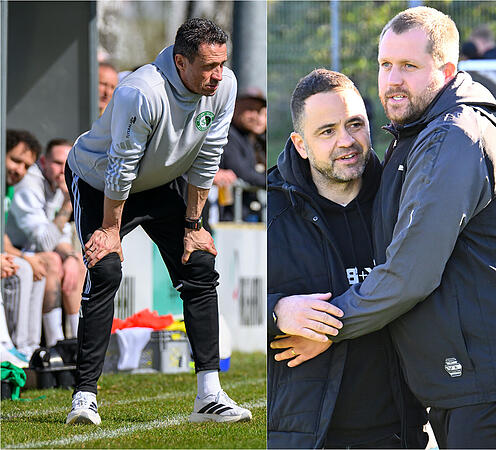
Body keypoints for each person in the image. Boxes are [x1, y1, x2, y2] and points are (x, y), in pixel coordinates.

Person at [272, 7, 496, 448]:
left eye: (409, 66)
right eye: (385, 64)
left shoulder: (453, 138)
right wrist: (277, 312)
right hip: (461, 388)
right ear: (300, 143)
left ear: (446, 71)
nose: (393, 79)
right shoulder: (425, 138)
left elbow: (409, 274)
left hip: (481, 389)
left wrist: (326, 329)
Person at [64, 17, 250, 425]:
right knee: (105, 269)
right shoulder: (141, 91)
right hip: (98, 181)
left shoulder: (225, 86)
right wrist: (110, 230)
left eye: (222, 64)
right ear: (181, 62)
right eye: (209, 66)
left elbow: (209, 155)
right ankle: (84, 396)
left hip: (159, 183)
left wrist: (194, 226)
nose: (218, 75)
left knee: (198, 263)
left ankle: (209, 395)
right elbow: (121, 166)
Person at [267, 69, 427, 449]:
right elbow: (227, 301)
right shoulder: (273, 211)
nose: (346, 141)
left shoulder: (402, 200)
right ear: (300, 144)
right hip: (303, 437)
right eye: (327, 131)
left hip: (396, 432)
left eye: (355, 124)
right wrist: (276, 312)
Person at [7, 138, 84, 346]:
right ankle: (55, 343)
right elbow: (44, 242)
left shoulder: (58, 184)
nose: (63, 170)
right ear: (43, 162)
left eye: (67, 165)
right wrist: (68, 203)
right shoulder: (29, 184)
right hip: (14, 250)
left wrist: (70, 257)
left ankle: (78, 343)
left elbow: (61, 236)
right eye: (57, 163)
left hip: (35, 250)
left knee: (78, 262)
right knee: (52, 261)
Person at [2, 130, 47, 361]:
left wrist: (26, 257)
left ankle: (31, 347)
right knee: (21, 272)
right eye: (15, 160)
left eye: (26, 166)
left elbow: (3, 239)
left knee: (36, 269)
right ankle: (15, 349)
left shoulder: (7, 189)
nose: (20, 170)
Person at [219, 91, 267, 222]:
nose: (254, 116)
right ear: (235, 106)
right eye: (249, 109)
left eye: (257, 111)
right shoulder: (227, 134)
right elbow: (241, 171)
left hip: (245, 210)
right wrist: (270, 181)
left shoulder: (248, 137)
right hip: (229, 214)